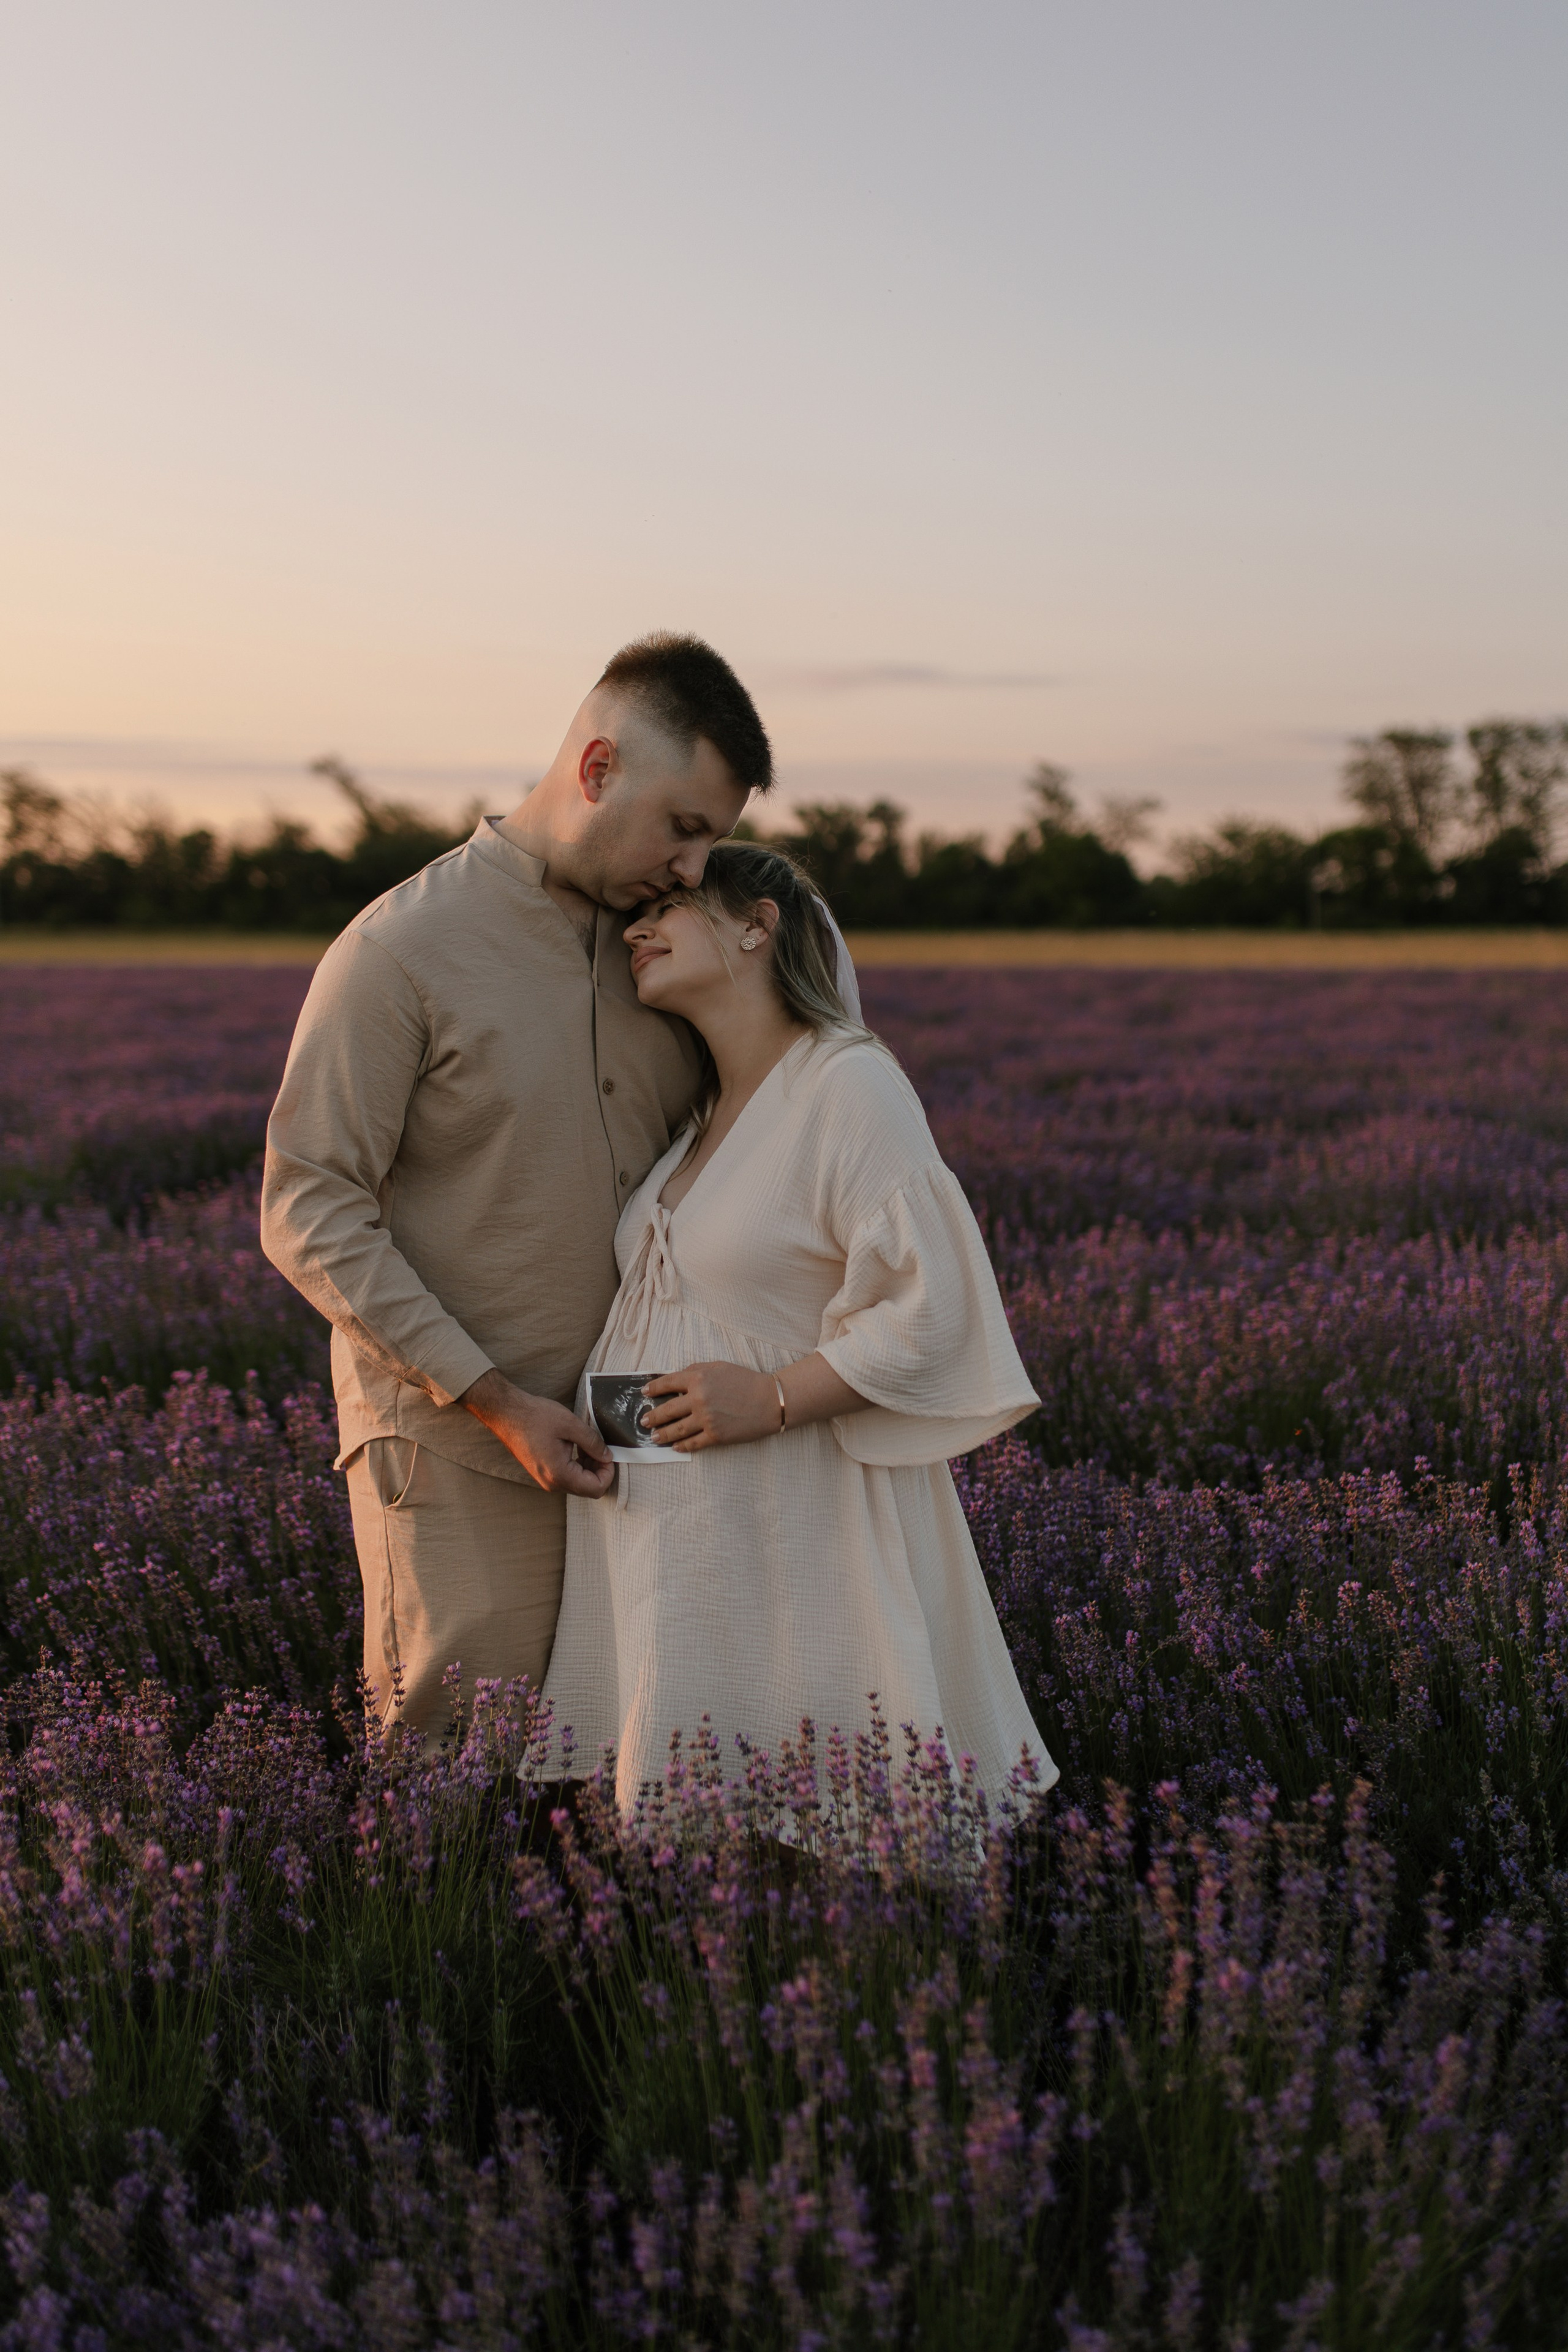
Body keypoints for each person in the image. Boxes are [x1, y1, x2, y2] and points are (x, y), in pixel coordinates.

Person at [260, 634, 772, 1749]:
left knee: (626, 1766)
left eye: (714, 842)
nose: (693, 869)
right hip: (457, 1441)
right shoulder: (399, 951)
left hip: (643, 1434)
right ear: (596, 769)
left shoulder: (667, 954)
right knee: (453, 1771)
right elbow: (308, 1208)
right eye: (683, 828)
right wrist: (494, 1400)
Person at [541, 841, 1057, 1811]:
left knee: (817, 1804)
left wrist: (776, 1398)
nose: (637, 930)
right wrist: (608, 1436)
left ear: (757, 925)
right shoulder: (704, 1112)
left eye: (673, 907)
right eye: (635, 916)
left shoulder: (845, 1084)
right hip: (672, 1532)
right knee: (704, 1824)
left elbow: (933, 1303)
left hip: (789, 1523)